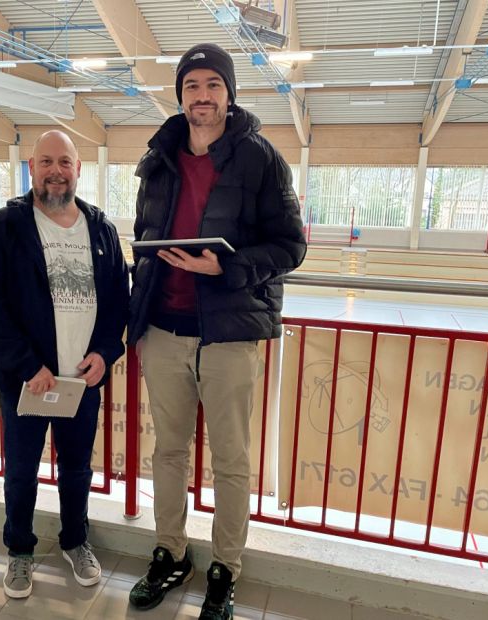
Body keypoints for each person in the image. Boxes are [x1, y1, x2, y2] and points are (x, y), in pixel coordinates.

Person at [127, 43, 307, 619]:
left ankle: (226, 566)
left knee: (230, 458)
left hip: (227, 330)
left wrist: (225, 267)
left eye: (212, 85)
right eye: (191, 86)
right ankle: (170, 553)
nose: (201, 96)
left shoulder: (261, 158)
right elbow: (145, 231)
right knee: (169, 452)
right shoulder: (159, 156)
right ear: (179, 95)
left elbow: (291, 246)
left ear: (229, 93)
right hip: (164, 327)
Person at [0, 130, 129, 599]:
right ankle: (19, 550)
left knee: (77, 468)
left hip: (81, 380)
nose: (55, 171)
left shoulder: (100, 229)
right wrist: (25, 366)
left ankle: (75, 541)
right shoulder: (3, 226)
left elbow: (119, 299)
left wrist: (104, 352)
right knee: (20, 469)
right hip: (27, 381)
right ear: (31, 167)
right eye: (46, 162)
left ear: (79, 169)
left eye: (65, 162)